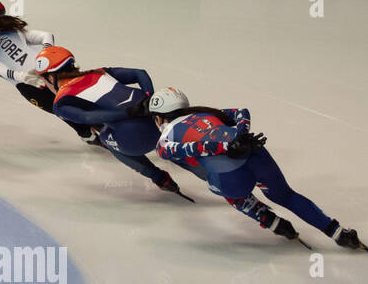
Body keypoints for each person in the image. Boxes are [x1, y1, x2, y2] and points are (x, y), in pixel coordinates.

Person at [149, 88, 363, 249]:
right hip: (254, 152)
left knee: (225, 190)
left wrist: (225, 146)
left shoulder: (164, 141)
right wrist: (240, 136)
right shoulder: (206, 112)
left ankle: (271, 221)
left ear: (158, 117)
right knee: (286, 196)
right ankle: (339, 233)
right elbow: (242, 112)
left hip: (229, 176)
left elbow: (188, 149)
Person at [34, 45, 183, 195]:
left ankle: (159, 177)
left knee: (104, 135)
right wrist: (151, 100)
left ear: (51, 77)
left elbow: (87, 118)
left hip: (134, 140)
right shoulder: (99, 72)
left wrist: (129, 112)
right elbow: (140, 73)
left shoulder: (61, 102)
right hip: (160, 120)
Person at [0, 0, 93, 141]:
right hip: (55, 70)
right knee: (88, 99)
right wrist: (47, 55)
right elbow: (46, 36)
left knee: (71, 115)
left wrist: (17, 75)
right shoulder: (10, 28)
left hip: (32, 85)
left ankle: (92, 135)